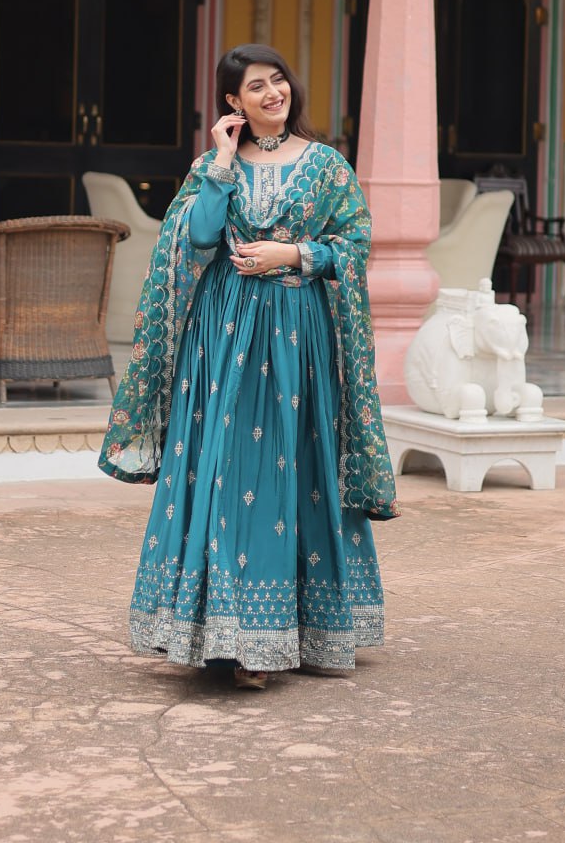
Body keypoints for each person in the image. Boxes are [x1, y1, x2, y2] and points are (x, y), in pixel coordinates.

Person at [98, 44, 399, 689]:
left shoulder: (326, 167)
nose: (273, 93)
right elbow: (200, 239)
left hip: (296, 338)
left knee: (294, 466)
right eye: (255, 87)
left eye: (279, 80)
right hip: (222, 339)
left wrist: (292, 254)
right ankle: (228, 636)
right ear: (233, 102)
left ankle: (301, 630)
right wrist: (223, 163)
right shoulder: (214, 167)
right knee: (226, 467)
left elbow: (356, 242)